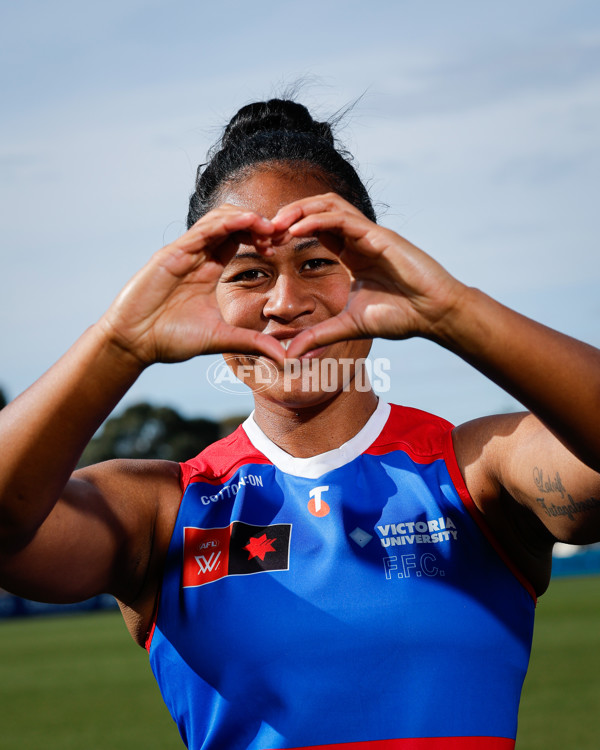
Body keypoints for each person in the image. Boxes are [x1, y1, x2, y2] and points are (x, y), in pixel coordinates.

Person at [1, 98, 599, 750]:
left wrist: (453, 310)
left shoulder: (480, 472)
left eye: (316, 262)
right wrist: (121, 342)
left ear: (374, 268)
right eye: (251, 274)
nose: (285, 304)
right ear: (204, 296)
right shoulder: (162, 512)